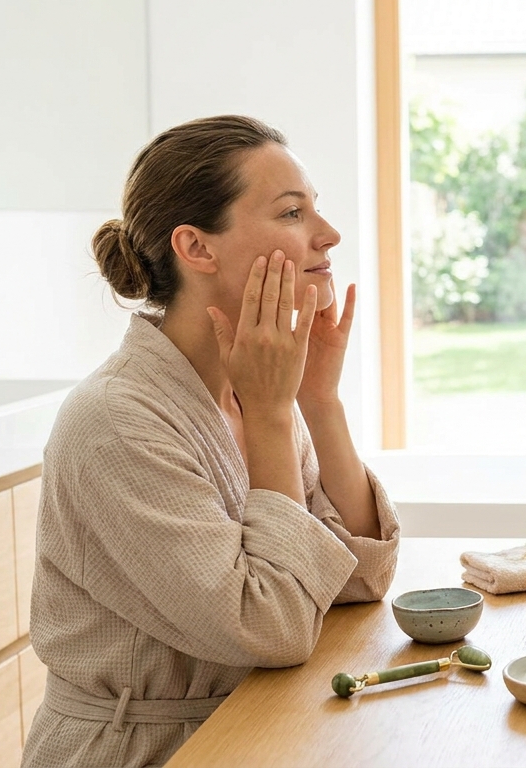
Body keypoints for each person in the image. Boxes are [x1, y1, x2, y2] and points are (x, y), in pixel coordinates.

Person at [22, 115, 400, 768]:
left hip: (245, 732)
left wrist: (319, 400)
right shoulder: (116, 420)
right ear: (197, 248)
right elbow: (271, 627)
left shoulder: (247, 390)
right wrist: (277, 414)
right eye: (292, 212)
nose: (329, 235)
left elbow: (359, 577)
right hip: (142, 751)